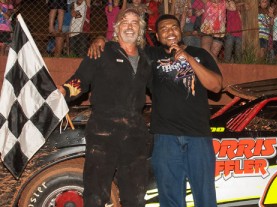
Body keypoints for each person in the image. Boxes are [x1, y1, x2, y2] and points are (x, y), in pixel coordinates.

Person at [88, 14, 223, 207]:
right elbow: (125, 44)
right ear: (157, 36)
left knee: (205, 196)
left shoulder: (200, 54)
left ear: (180, 31)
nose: (170, 32)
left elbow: (216, 86)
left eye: (174, 27)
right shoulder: (151, 56)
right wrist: (101, 39)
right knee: (170, 198)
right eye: (164, 29)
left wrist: (188, 58)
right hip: (165, 137)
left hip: (198, 136)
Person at [59, 8, 152, 207]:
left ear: (141, 29)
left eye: (134, 22)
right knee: (96, 193)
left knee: (135, 196)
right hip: (103, 130)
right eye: (124, 22)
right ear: (116, 28)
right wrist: (64, 91)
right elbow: (81, 80)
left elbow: (161, 88)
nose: (129, 26)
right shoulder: (102, 51)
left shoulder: (147, 60)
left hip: (136, 133)